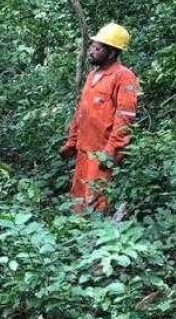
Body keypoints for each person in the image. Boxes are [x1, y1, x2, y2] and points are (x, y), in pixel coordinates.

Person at [60, 23, 140, 213]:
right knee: (78, 202)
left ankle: (96, 240)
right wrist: (71, 142)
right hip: (83, 151)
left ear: (111, 53)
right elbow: (82, 112)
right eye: (92, 47)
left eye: (97, 48)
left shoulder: (124, 77)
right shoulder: (92, 75)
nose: (91, 51)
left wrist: (110, 153)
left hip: (102, 154)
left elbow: (125, 119)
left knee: (95, 203)